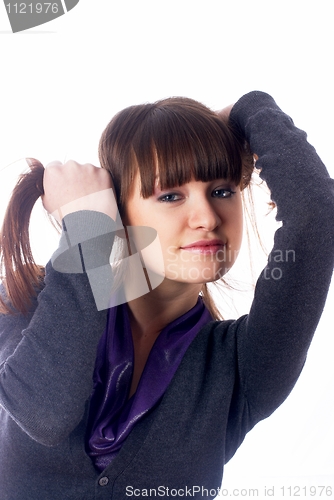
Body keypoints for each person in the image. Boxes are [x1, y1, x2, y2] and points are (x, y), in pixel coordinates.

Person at [0, 91, 333, 499]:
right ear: (117, 212)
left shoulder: (243, 365)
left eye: (222, 191)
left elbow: (317, 216)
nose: (207, 218)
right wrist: (88, 226)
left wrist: (252, 108)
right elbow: (45, 414)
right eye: (170, 196)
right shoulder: (26, 302)